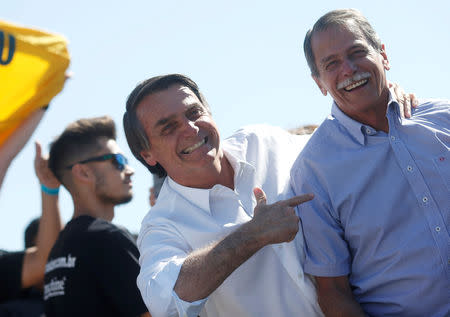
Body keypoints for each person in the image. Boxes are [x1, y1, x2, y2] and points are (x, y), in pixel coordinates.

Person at [123, 74, 414, 317]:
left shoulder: (263, 141)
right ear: (147, 154)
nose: (190, 129)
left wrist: (380, 102)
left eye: (194, 112)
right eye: (168, 127)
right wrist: (252, 235)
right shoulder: (161, 225)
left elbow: (344, 145)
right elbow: (165, 302)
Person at [290, 9, 449, 317]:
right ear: (319, 82)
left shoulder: (444, 119)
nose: (348, 69)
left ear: (383, 55)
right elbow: (333, 292)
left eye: (357, 52)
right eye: (331, 64)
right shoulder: (313, 171)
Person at [43, 116, 150, 317]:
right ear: (83, 172)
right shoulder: (106, 238)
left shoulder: (58, 251)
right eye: (117, 161)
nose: (130, 170)